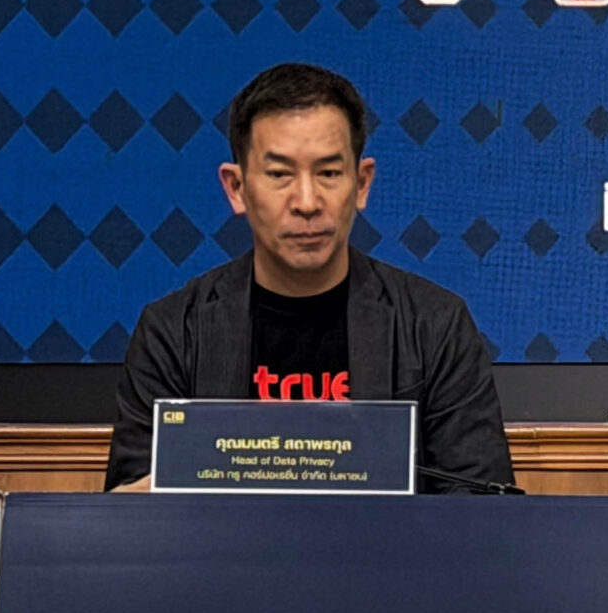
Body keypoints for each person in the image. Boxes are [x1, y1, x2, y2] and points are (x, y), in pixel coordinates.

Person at [104, 62, 514, 492]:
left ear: (362, 184)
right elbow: (126, 511)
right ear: (237, 189)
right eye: (280, 174)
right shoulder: (174, 332)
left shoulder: (434, 325)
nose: (306, 202)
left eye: (329, 173)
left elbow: (482, 502)